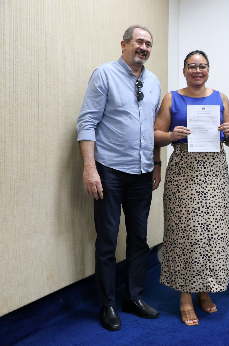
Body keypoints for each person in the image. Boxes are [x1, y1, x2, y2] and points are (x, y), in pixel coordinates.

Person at [76, 25, 161, 331]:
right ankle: (108, 304)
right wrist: (90, 168)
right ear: (124, 44)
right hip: (109, 171)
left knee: (139, 239)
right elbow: (87, 122)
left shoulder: (153, 81)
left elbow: (152, 127)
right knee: (107, 240)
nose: (144, 47)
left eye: (148, 44)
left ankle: (133, 297)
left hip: (142, 173)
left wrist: (156, 163)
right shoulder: (104, 74)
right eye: (139, 41)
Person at [153, 50, 229, 326]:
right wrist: (171, 135)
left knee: (211, 232)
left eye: (202, 66)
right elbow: (156, 134)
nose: (197, 70)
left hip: (214, 171)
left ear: (208, 70)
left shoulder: (221, 98)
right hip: (183, 172)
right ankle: (185, 297)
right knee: (185, 232)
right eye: (192, 66)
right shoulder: (172, 98)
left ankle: (204, 289)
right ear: (184, 70)